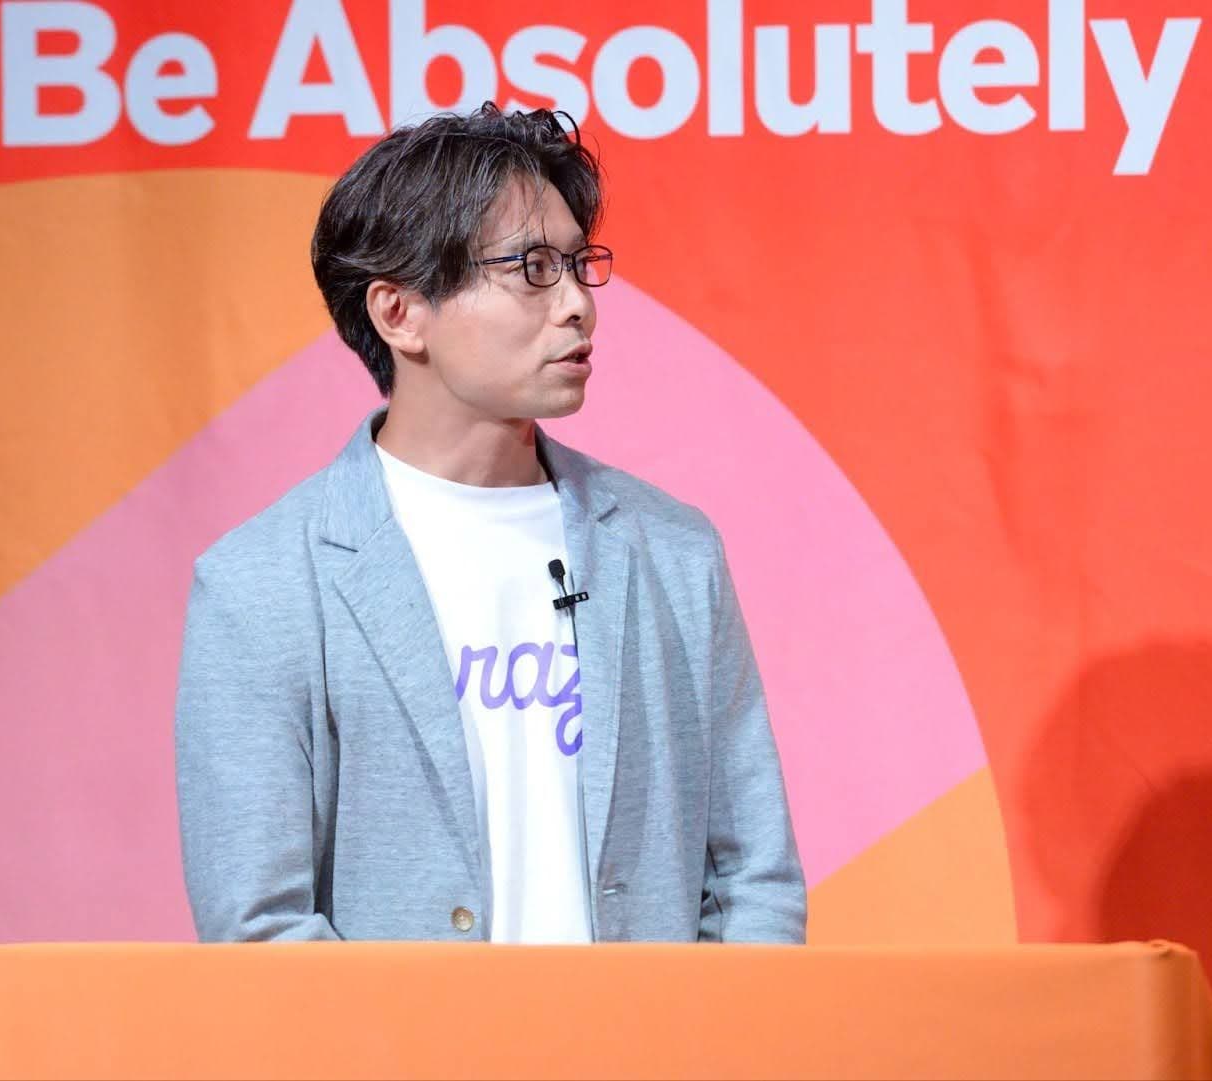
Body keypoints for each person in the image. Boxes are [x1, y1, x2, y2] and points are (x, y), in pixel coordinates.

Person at [175, 102, 806, 944]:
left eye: (581, 266)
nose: (579, 305)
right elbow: (261, 924)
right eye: (533, 269)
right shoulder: (262, 584)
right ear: (400, 313)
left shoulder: (673, 552)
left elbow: (752, 879)